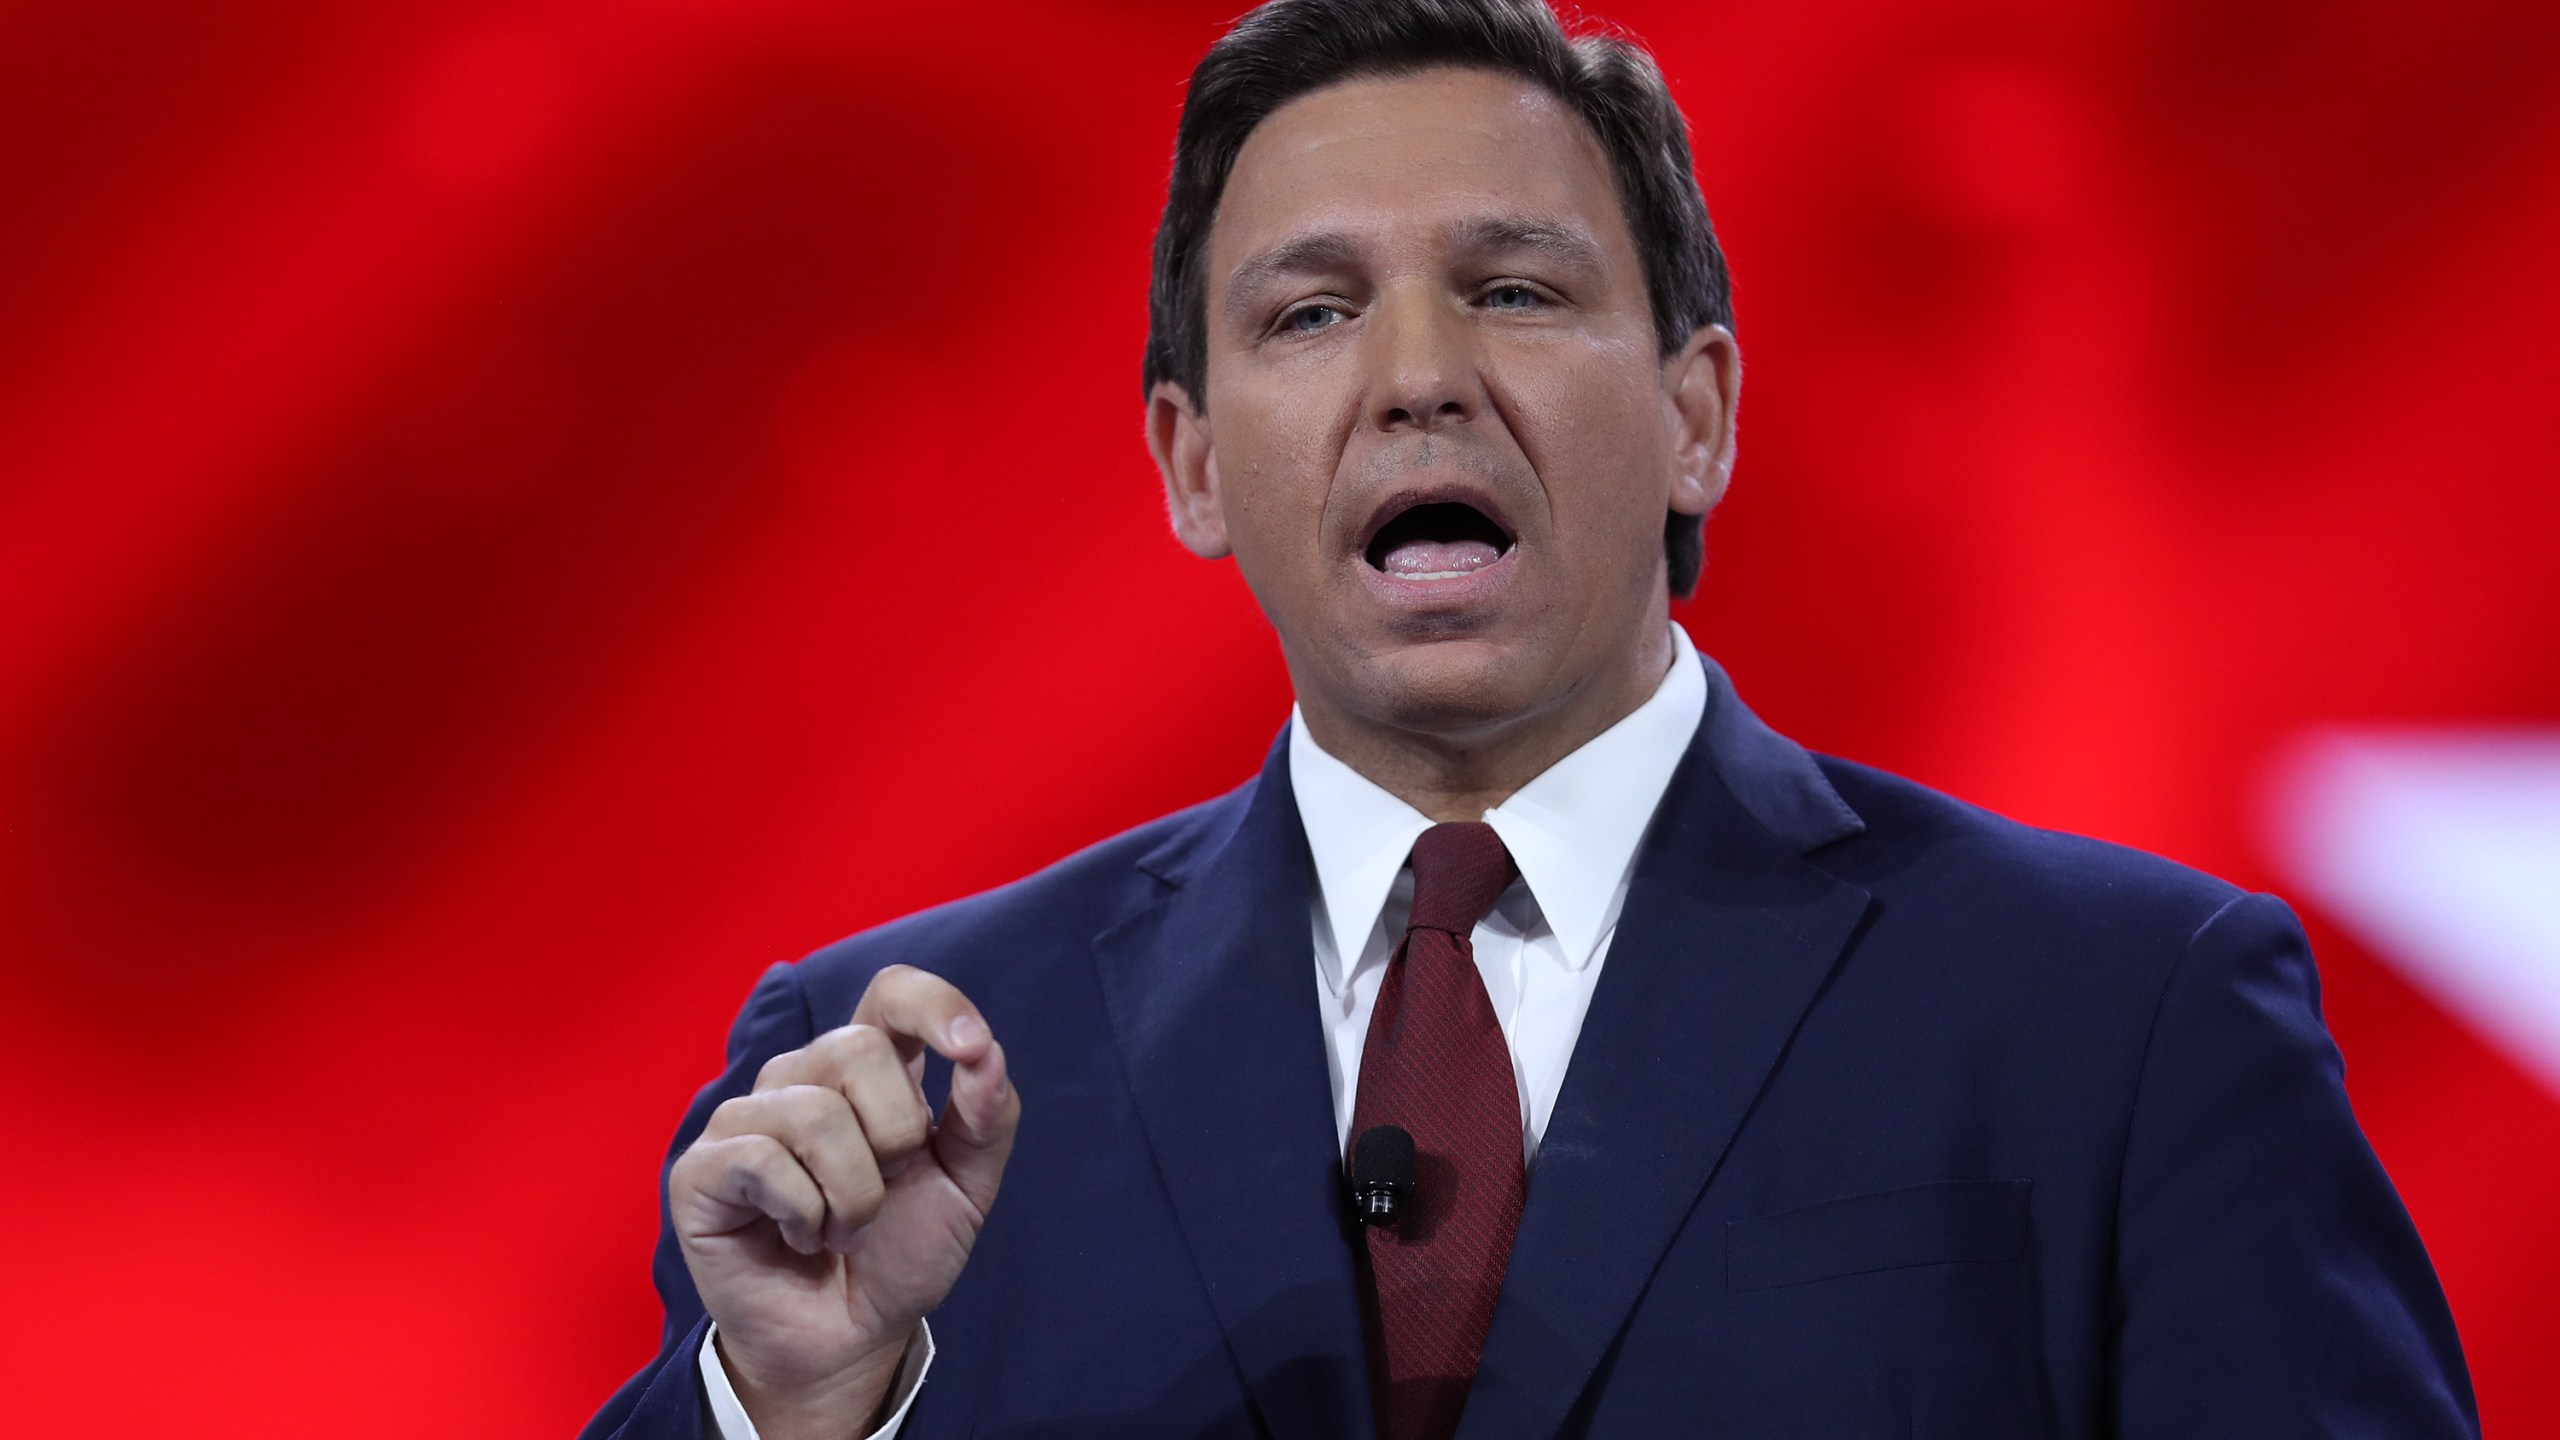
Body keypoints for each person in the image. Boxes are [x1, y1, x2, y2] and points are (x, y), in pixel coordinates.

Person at [584, 1, 2478, 1435]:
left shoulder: (2128, 1016)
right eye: (1310, 315)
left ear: (1696, 418)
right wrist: (794, 1414)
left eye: (1513, 288)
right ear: (1191, 463)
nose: (1418, 377)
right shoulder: (888, 1070)